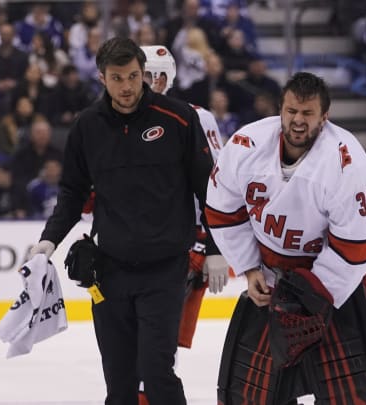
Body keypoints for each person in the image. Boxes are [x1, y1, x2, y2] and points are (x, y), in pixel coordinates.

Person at [26, 37, 219, 405]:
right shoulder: (87, 127)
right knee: (119, 382)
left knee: (157, 371)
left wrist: (214, 247)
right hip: (109, 273)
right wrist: (48, 241)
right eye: (118, 78)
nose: (128, 86)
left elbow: (209, 189)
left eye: (134, 76)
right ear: (102, 78)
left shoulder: (179, 118)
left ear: (143, 73)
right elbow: (71, 193)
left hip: (165, 271)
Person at [205, 72, 366, 404]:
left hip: (329, 287)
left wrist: (313, 293)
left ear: (324, 117)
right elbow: (222, 212)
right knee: (247, 396)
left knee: (352, 398)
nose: (298, 121)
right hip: (271, 280)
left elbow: (362, 243)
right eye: (291, 111)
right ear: (280, 109)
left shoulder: (344, 159)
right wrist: (249, 270)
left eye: (307, 114)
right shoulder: (247, 145)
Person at [136, 44, 228, 405]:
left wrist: (212, 244)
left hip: (183, 244)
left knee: (157, 351)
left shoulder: (196, 117)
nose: (141, 84)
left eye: (145, 76)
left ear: (164, 78)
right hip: (134, 246)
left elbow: (216, 184)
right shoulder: (116, 120)